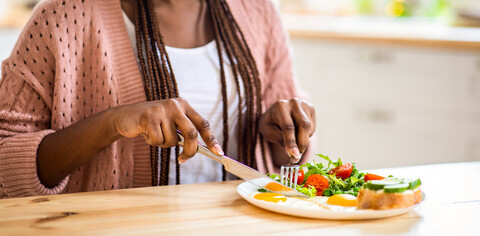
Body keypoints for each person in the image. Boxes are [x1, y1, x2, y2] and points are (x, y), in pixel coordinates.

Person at [0, 0, 315, 198]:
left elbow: (288, 158)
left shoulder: (258, 10)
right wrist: (114, 122)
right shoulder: (61, 16)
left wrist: (289, 133)